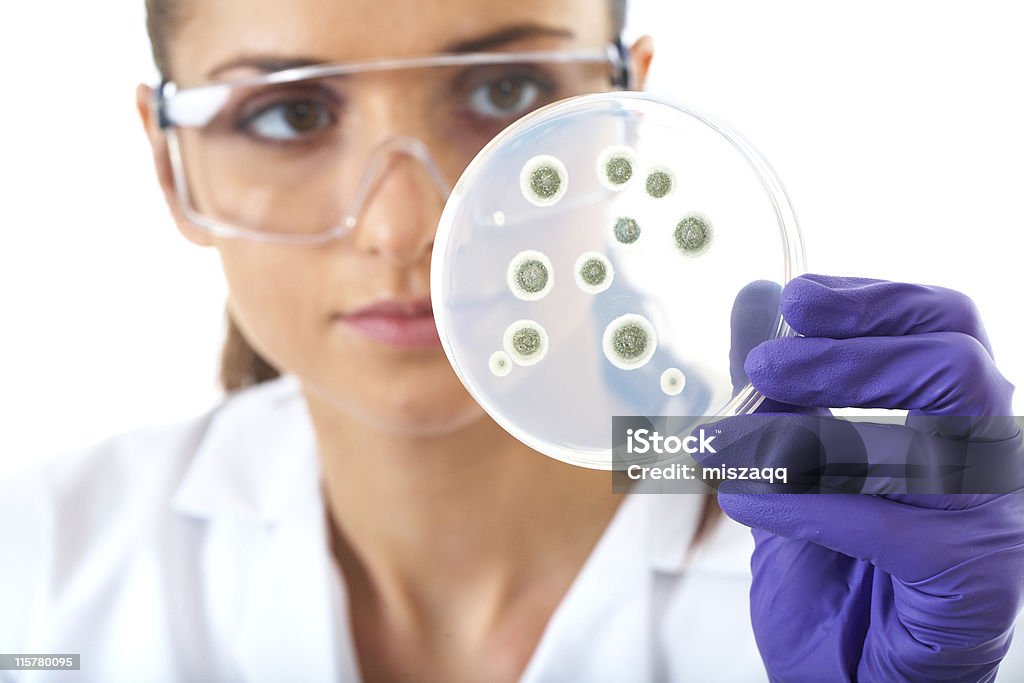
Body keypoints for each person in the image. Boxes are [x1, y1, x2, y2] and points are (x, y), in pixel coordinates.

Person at [1, 0, 1022, 681]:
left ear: (624, 115)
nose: (405, 229)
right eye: (290, 110)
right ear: (170, 163)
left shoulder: (904, 595)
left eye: (503, 91)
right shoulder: (36, 571)